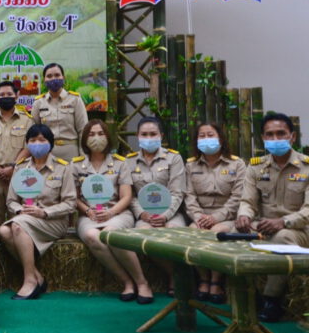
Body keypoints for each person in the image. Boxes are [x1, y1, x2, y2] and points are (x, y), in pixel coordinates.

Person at [236, 113, 309, 322]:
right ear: (263, 138)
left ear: (292, 137)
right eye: (270, 135)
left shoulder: (306, 166)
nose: (275, 139)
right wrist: (244, 217)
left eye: (281, 134)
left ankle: (270, 299)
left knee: (282, 238)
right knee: (229, 235)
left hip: (299, 230)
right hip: (263, 227)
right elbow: (247, 202)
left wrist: (283, 222)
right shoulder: (256, 167)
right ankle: (240, 294)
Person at [72, 120, 154, 304]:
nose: (96, 138)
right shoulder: (76, 165)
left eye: (100, 133)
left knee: (111, 235)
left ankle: (142, 282)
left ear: (108, 137)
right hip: (89, 215)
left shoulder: (120, 163)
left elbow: (126, 196)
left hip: (117, 213)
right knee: (93, 236)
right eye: (91, 134)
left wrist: (110, 213)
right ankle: (126, 281)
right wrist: (87, 210)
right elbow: (74, 197)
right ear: (85, 139)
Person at [0, 124, 76, 300]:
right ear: (27, 144)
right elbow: (11, 201)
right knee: (4, 231)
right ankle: (37, 275)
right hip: (26, 218)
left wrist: (44, 212)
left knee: (17, 227)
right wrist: (21, 210)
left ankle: (29, 281)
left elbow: (70, 203)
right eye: (33, 140)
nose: (37, 144)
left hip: (53, 221)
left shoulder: (63, 168)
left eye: (42, 140)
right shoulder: (21, 168)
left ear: (50, 143)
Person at [123, 116, 186, 295]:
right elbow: (131, 195)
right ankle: (175, 274)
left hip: (171, 213)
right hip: (145, 215)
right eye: (144, 134)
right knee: (143, 236)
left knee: (174, 232)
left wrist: (165, 215)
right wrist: (142, 214)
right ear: (137, 136)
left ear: (161, 135)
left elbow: (177, 192)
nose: (148, 138)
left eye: (153, 134)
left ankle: (179, 275)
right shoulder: (129, 161)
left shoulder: (173, 158)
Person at [184, 122, 245, 304]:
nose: (206, 139)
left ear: (220, 138)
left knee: (216, 233)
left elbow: (238, 197)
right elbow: (189, 196)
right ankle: (204, 279)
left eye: (210, 134)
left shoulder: (237, 164)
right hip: (200, 216)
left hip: (227, 217)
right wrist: (198, 217)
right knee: (191, 233)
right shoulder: (191, 165)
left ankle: (216, 281)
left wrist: (216, 217)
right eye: (201, 136)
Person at [0, 81, 33, 228]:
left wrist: (13, 167)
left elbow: (28, 147)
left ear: (17, 95)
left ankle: (14, 246)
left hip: (19, 174)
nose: (6, 97)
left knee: (18, 216)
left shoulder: (27, 119)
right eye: (2, 95)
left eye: (9, 94)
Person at [30, 63, 88, 161]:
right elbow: (33, 132)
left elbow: (83, 130)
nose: (53, 78)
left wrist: (83, 158)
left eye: (57, 75)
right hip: (46, 153)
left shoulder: (75, 100)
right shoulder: (38, 103)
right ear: (44, 80)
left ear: (63, 77)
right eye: (49, 76)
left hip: (71, 153)